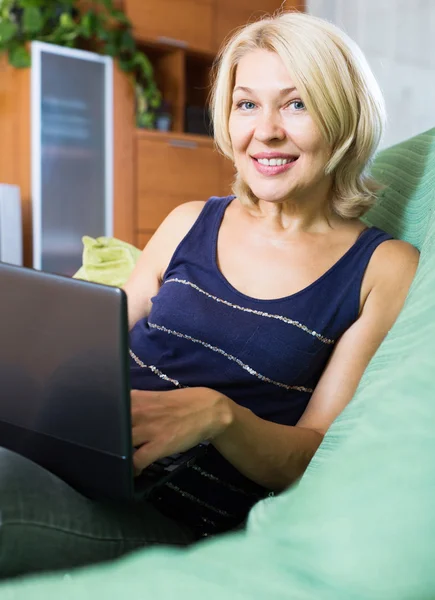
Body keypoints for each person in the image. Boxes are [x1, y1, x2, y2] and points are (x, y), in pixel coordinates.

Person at [0, 10, 419, 578]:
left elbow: (307, 455)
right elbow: (94, 340)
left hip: (167, 514)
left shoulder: (380, 268)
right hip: (78, 455)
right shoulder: (189, 221)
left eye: (296, 104)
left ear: (343, 117)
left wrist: (218, 415)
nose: (265, 130)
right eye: (247, 104)